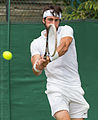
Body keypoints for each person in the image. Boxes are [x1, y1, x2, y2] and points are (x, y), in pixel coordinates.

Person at [30, 5, 89, 120]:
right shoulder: (36, 43)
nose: (53, 23)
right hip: (55, 88)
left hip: (74, 86)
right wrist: (40, 64)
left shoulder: (66, 30)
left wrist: (50, 59)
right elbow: (36, 70)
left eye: (56, 20)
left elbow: (64, 46)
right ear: (43, 20)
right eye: (50, 20)